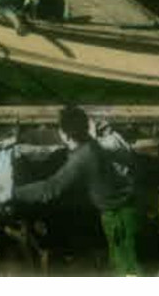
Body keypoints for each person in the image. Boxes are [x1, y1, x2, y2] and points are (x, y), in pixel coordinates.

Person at [13, 105, 140, 276]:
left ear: (64, 134)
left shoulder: (82, 157)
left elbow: (50, 189)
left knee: (126, 268)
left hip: (118, 215)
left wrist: (15, 192)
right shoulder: (94, 145)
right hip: (125, 207)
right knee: (121, 262)